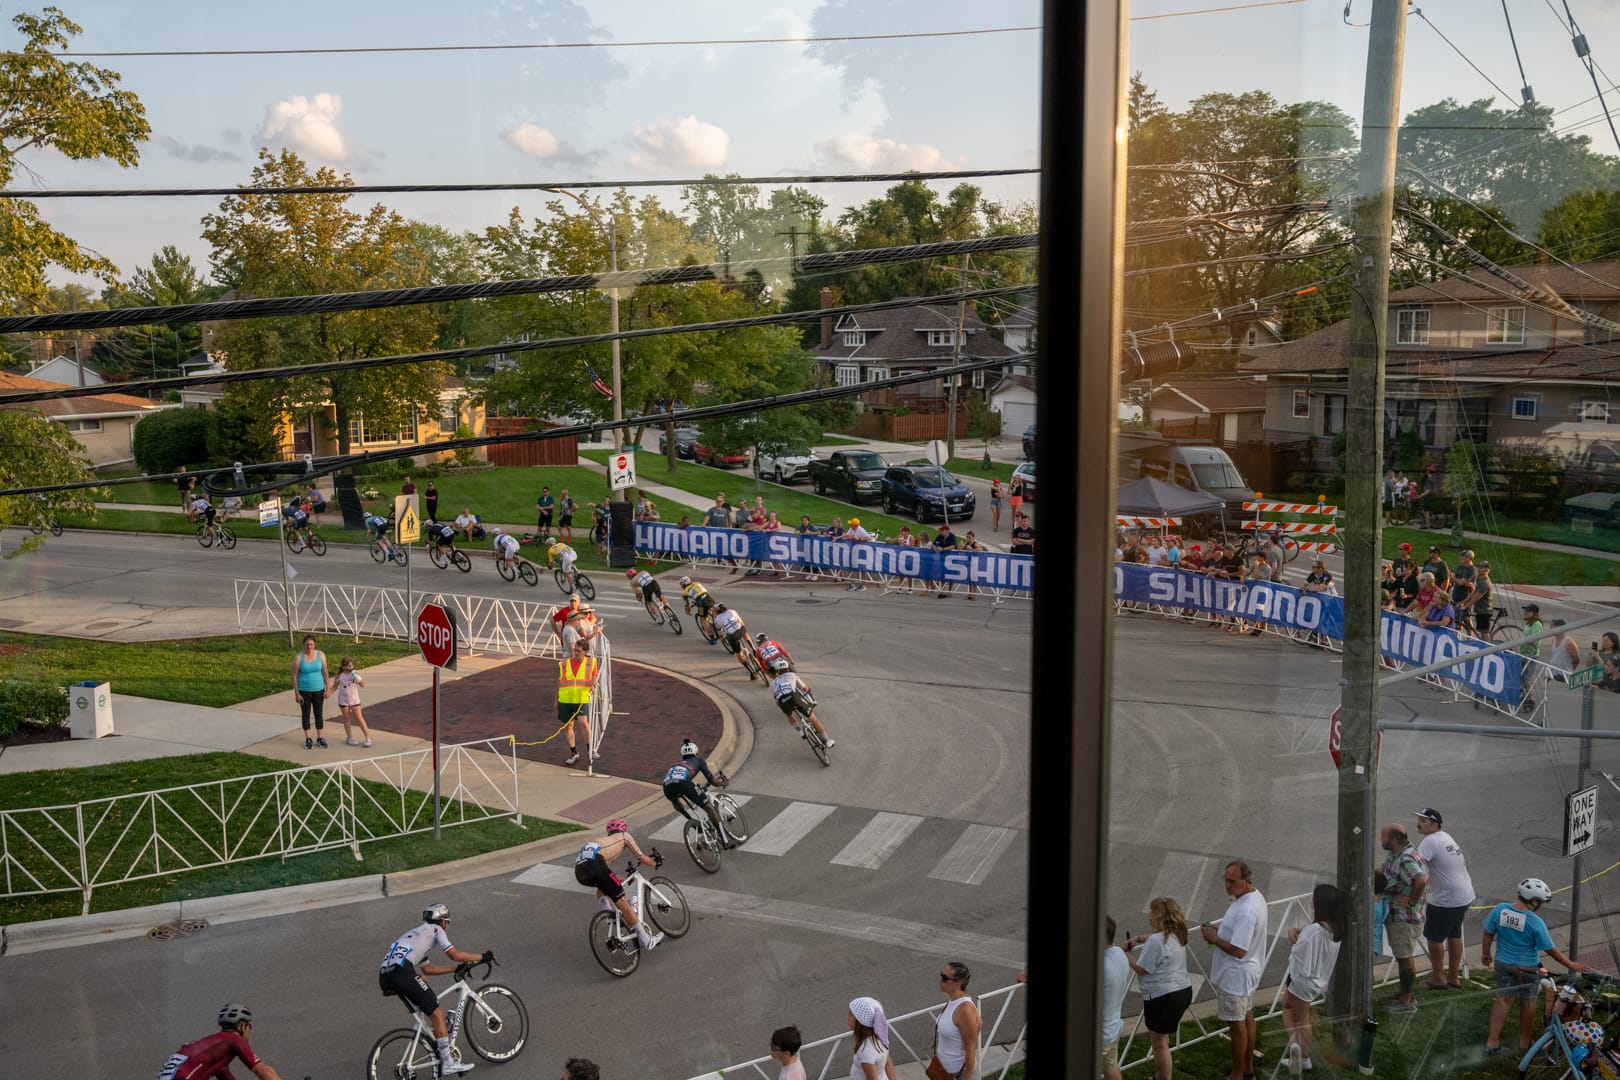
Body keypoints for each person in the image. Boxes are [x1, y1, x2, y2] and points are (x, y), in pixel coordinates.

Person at [377, 903, 493, 1077]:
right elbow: (454, 954)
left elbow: (428, 969)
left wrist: (455, 969)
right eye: (447, 922)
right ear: (443, 921)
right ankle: (448, 1064)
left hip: (385, 976)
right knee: (437, 1013)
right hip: (402, 972)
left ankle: (437, 1040)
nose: (447, 925)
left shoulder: (416, 934)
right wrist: (482, 957)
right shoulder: (436, 929)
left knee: (429, 1007)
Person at [1483, 877, 1589, 1055]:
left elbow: (1488, 932)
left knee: (1503, 1000)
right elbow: (1550, 949)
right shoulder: (1535, 922)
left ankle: (1492, 1043)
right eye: (1541, 902)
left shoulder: (1500, 910)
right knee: (1528, 1003)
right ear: (1534, 901)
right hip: (1527, 968)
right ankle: (1524, 1043)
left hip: (1503, 964)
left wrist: (1485, 953)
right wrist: (1570, 963)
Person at [1201, 860, 1267, 1080]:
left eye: (1233, 881)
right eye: (1226, 880)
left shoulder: (1246, 910)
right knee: (1247, 1017)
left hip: (1236, 976)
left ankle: (1237, 1075)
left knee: (1237, 1025)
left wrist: (1214, 938)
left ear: (1246, 880)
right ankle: (1247, 1069)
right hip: (1248, 973)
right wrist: (1221, 932)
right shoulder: (1254, 897)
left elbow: (1239, 950)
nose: (1227, 886)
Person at [1126, 897, 1192, 1080]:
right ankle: (1160, 1075)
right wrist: (1140, 938)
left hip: (1162, 997)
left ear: (1159, 916)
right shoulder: (1178, 933)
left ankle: (1163, 1077)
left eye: (1152, 912)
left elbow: (1142, 969)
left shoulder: (1156, 941)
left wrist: (1126, 954)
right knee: (1164, 1039)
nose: (1149, 915)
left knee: (1159, 1043)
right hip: (1183, 991)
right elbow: (1158, 939)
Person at [1281, 884, 1344, 1072]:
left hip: (1302, 981)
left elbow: (1299, 952)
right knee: (1288, 1006)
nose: (1311, 901)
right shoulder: (1335, 929)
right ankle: (1298, 1050)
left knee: (1301, 1019)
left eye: (1314, 898)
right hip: (1316, 981)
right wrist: (1298, 931)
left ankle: (1301, 1055)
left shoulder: (1314, 931)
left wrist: (1293, 937)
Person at [574, 819, 663, 951]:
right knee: (622, 902)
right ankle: (647, 940)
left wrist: (623, 878)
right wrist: (656, 862)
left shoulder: (602, 842)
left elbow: (605, 876)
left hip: (580, 871)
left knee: (602, 887)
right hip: (595, 864)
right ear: (623, 829)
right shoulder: (624, 835)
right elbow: (642, 858)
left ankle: (609, 916)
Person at [1413, 808, 1474, 990]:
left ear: (1434, 824)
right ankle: (1453, 976)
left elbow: (1415, 867)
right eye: (1419, 820)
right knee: (1454, 933)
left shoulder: (1430, 841)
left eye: (1423, 821)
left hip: (1446, 898)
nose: (1419, 824)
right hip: (1464, 894)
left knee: (1434, 937)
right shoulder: (1446, 837)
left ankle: (1438, 978)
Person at [156, 1004, 285, 1080]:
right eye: (249, 1026)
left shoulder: (212, 1049)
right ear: (242, 1026)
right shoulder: (235, 1039)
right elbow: (262, 1069)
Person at [1378, 823, 1428, 1012]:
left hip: (1404, 919)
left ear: (1394, 839)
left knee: (1404, 958)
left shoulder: (1406, 859)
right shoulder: (1396, 854)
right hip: (1397, 917)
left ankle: (1407, 1001)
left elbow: (1421, 879)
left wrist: (1412, 900)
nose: (1381, 839)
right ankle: (1404, 993)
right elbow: (1384, 872)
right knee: (1402, 957)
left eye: (1383, 836)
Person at [661, 739, 730, 843]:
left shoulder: (676, 764)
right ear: (696, 752)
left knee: (676, 802)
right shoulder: (699, 761)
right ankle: (725, 840)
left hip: (667, 786)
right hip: (683, 783)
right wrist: (724, 783)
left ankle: (693, 823)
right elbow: (712, 781)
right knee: (708, 807)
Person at [929, 961, 981, 1080]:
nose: (940, 980)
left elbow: (970, 1048)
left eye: (945, 977)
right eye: (941, 974)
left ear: (958, 983)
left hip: (958, 1074)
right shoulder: (953, 1001)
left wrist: (968, 1078)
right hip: (943, 1070)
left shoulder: (965, 1009)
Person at [767, 658, 834, 746]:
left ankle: (800, 731)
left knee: (789, 715)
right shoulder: (792, 675)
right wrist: (808, 691)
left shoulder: (773, 683)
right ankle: (827, 740)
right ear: (787, 667)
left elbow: (776, 699)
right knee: (813, 718)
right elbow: (804, 688)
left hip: (782, 701)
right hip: (794, 697)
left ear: (776, 671)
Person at [557, 641, 599, 767]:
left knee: (583, 722)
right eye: (575, 650)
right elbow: (559, 681)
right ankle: (574, 753)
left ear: (585, 651)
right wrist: (556, 699)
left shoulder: (591, 662)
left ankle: (590, 749)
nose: (575, 653)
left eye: (578, 651)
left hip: (581, 698)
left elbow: (594, 676)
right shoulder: (565, 663)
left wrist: (592, 684)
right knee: (568, 726)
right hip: (565, 699)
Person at [1100, 917, 1130, 1080]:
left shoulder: (1100, 968)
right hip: (1112, 1029)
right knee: (1111, 1071)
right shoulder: (1119, 953)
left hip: (1097, 1036)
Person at [291, 635, 330, 750]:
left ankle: (320, 738)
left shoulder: (320, 655)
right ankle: (308, 738)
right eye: (307, 644)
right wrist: (296, 693)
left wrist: (328, 688)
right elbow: (294, 676)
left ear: (314, 644)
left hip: (319, 689)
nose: (309, 647)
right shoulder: (298, 657)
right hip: (304, 690)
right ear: (304, 645)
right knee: (306, 714)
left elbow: (325, 672)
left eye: (311, 644)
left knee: (319, 713)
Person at [847, 997, 896, 1080]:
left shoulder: (865, 1050)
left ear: (861, 1022)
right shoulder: (880, 1036)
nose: (848, 1018)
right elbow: (888, 1063)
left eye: (851, 1015)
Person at [330, 656, 372, 748]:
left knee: (359, 718)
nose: (349, 668)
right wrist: (328, 693)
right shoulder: (339, 675)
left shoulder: (354, 674)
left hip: (354, 699)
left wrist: (357, 677)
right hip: (343, 699)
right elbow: (335, 687)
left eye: (351, 665)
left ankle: (368, 738)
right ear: (343, 666)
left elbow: (362, 684)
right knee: (346, 718)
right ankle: (349, 737)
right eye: (347, 666)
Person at [712, 602, 755, 678]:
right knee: (745, 634)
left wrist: (722, 638)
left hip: (732, 637)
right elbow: (741, 622)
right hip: (740, 630)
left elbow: (720, 633)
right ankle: (754, 649)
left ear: (717, 611)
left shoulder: (716, 620)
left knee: (739, 654)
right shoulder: (732, 611)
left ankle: (751, 672)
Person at [680, 575, 717, 641]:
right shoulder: (697, 583)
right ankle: (719, 624)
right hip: (708, 598)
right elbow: (700, 592)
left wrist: (688, 611)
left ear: (683, 585)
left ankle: (712, 638)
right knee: (713, 612)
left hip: (700, 602)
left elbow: (687, 605)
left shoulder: (684, 592)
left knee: (703, 619)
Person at [932, 523, 958, 598]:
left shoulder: (952, 536)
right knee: (942, 574)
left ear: (946, 531)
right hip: (942, 559)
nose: (940, 531)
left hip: (951, 559)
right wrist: (935, 548)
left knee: (951, 575)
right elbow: (933, 544)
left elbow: (953, 546)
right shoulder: (940, 536)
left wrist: (943, 549)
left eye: (942, 530)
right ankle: (942, 590)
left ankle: (950, 591)